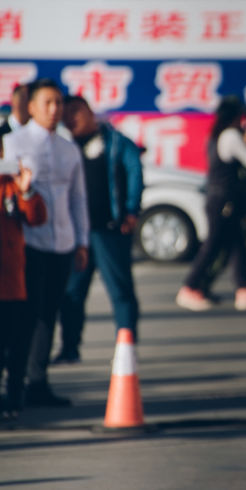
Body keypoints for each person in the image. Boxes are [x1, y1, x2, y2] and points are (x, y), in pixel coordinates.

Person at [2, 78, 89, 407]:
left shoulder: (69, 149)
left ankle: (37, 382)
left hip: (62, 243)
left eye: (59, 104)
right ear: (32, 106)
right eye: (47, 103)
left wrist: (81, 242)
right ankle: (14, 383)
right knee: (23, 315)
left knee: (49, 313)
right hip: (27, 244)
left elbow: (78, 199)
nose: (55, 110)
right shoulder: (13, 144)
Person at [51, 95, 143, 364]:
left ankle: (127, 347)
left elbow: (134, 171)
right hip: (77, 234)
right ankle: (69, 348)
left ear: (90, 112)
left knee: (120, 290)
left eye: (76, 113)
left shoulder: (115, 142)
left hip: (109, 230)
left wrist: (131, 210)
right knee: (72, 293)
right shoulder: (65, 147)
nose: (71, 119)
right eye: (66, 115)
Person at [176, 96, 246, 311]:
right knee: (213, 245)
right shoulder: (230, 136)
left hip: (225, 199)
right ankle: (189, 287)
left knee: (237, 243)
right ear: (236, 116)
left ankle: (243, 289)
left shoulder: (218, 135)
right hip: (222, 200)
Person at [0, 161, 46, 418]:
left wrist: (26, 191)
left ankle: (14, 398)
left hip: (13, 283)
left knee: (16, 347)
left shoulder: (11, 185)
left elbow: (37, 217)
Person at [0, 84, 29, 157]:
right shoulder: (2, 133)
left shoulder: (39, 134)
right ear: (12, 99)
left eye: (29, 99)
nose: (26, 103)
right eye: (22, 98)